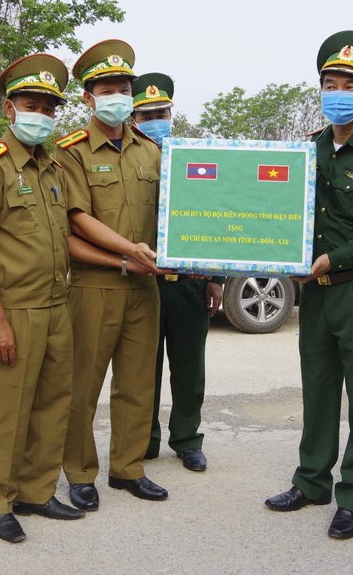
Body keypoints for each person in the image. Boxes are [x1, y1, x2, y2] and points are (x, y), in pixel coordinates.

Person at [264, 31, 353, 541]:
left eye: (350, 83)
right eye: (331, 82)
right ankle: (311, 481)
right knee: (318, 389)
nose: (339, 90)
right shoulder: (309, 150)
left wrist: (337, 256)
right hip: (318, 291)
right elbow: (284, 215)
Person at [0, 53, 83, 544]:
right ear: (10, 109)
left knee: (53, 403)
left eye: (50, 108)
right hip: (13, 309)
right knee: (5, 408)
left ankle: (35, 491)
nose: (42, 115)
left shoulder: (52, 167)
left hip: (57, 306)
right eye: (32, 104)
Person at [59, 39, 170, 510]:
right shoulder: (71, 152)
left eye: (123, 87)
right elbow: (77, 218)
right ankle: (81, 473)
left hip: (146, 285)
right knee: (83, 385)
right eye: (106, 88)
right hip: (95, 284)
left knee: (138, 382)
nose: (116, 95)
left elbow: (175, 212)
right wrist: (129, 252)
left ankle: (128, 468)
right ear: (88, 97)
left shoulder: (152, 150)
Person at [130, 72, 223, 472]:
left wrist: (217, 277)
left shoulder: (195, 156)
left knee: (189, 368)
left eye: (161, 112)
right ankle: (143, 439)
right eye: (146, 114)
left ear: (172, 113)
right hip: (141, 281)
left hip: (190, 283)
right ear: (134, 120)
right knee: (140, 368)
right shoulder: (125, 159)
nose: (155, 120)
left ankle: (187, 439)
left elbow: (216, 218)